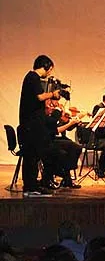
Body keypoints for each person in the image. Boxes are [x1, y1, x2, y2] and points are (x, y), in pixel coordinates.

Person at [19, 54, 63, 197]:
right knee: (32, 156)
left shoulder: (31, 78)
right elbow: (39, 96)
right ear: (46, 67)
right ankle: (30, 188)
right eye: (50, 70)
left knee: (33, 156)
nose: (49, 73)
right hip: (31, 125)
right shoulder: (33, 77)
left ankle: (31, 185)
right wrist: (53, 94)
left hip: (31, 124)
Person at [42, 99, 83, 189]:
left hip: (55, 139)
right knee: (62, 153)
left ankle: (67, 178)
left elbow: (63, 126)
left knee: (76, 147)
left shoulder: (53, 116)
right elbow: (55, 130)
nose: (52, 107)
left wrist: (70, 121)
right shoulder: (44, 117)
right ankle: (63, 176)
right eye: (50, 105)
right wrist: (69, 122)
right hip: (46, 141)